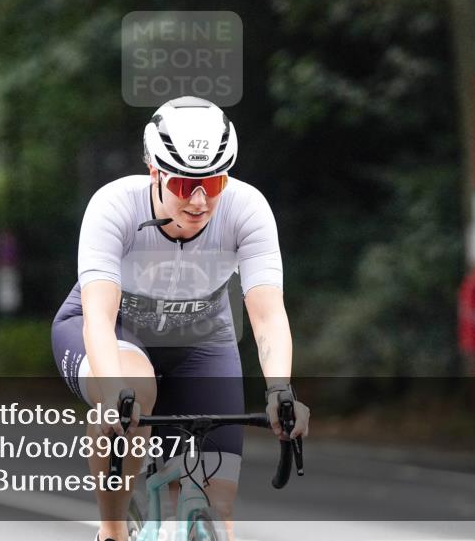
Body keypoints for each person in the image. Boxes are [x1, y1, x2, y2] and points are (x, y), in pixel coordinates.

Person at [52, 96, 309, 541]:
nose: (197, 200)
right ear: (155, 171)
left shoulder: (247, 209)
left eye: (212, 184)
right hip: (114, 332)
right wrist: (113, 397)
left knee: (219, 506)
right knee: (132, 388)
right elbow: (98, 315)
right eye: (183, 184)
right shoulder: (114, 206)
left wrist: (280, 391)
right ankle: (112, 530)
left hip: (201, 344)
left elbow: (267, 317)